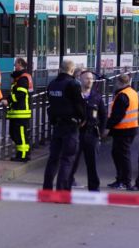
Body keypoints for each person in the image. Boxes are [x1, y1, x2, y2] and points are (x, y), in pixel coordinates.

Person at [43, 60, 87, 190]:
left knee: (53, 159)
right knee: (67, 160)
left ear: (60, 69)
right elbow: (79, 104)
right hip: (71, 126)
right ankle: (61, 191)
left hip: (57, 125)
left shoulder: (52, 84)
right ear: (72, 70)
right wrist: (83, 118)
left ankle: (47, 189)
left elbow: (51, 104)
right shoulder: (73, 84)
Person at [70, 70, 106, 191]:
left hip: (92, 133)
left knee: (92, 163)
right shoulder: (75, 95)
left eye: (91, 79)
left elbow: (103, 115)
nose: (89, 81)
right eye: (87, 78)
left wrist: (101, 132)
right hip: (77, 133)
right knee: (72, 161)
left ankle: (94, 188)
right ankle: (67, 184)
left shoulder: (96, 97)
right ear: (80, 79)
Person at [106, 74, 139, 190]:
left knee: (122, 156)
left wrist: (107, 127)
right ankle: (122, 180)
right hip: (131, 128)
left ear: (119, 83)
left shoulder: (122, 96)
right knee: (120, 155)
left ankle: (124, 181)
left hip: (123, 130)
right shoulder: (133, 93)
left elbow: (117, 116)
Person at [6, 57, 33, 162]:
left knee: (20, 134)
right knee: (15, 134)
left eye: (16, 64)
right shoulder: (22, 77)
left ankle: (23, 155)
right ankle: (20, 154)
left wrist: (8, 100)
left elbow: (20, 94)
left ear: (20, 64)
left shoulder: (22, 79)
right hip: (18, 112)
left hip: (21, 112)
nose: (14, 66)